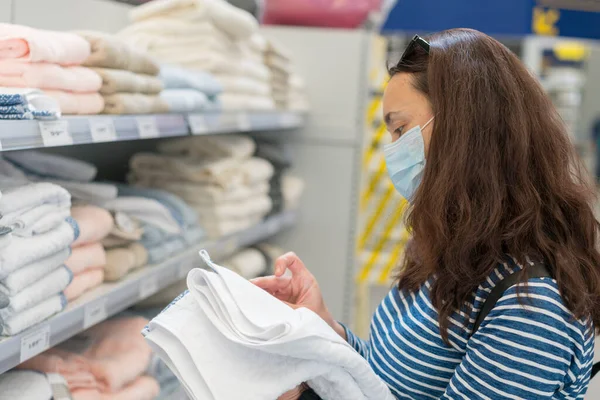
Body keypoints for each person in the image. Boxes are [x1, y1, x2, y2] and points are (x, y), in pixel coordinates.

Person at [253, 28, 600, 399]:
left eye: (400, 129)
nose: (392, 151)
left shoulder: (530, 305)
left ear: (464, 129)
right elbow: (381, 380)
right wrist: (324, 328)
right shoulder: (451, 250)